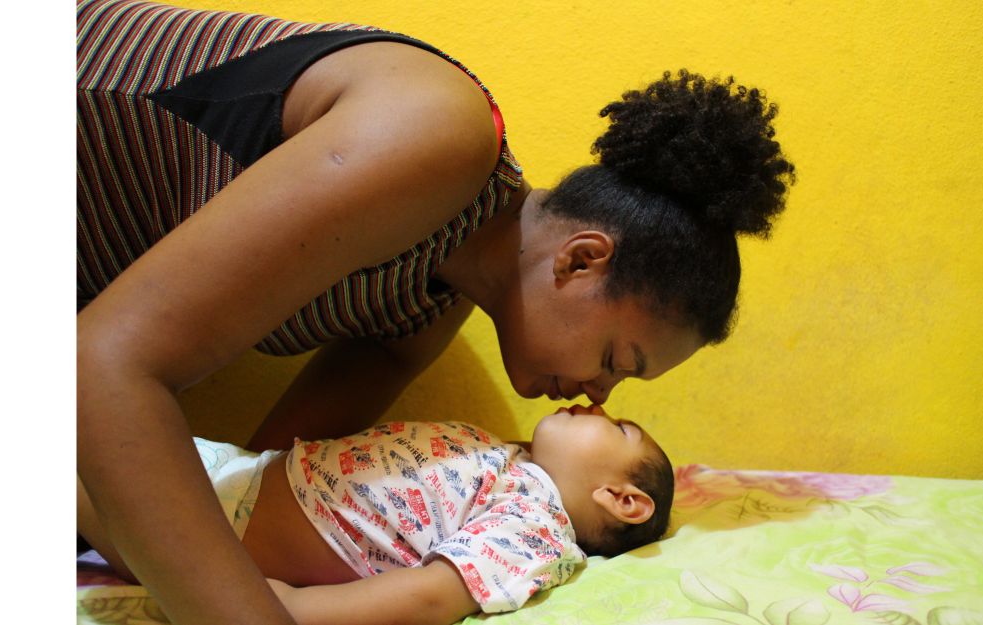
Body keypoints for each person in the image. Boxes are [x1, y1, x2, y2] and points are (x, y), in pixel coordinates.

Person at [75, 0, 795, 622]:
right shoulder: (440, 132)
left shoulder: (424, 306)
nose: (600, 395)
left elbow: (260, 484)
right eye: (615, 360)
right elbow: (100, 363)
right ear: (580, 260)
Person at [77, 405, 674, 624]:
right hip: (242, 474)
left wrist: (285, 610)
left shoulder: (539, 528)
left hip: (223, 527)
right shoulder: (516, 466)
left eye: (618, 426)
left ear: (623, 499)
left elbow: (433, 596)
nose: (595, 402)